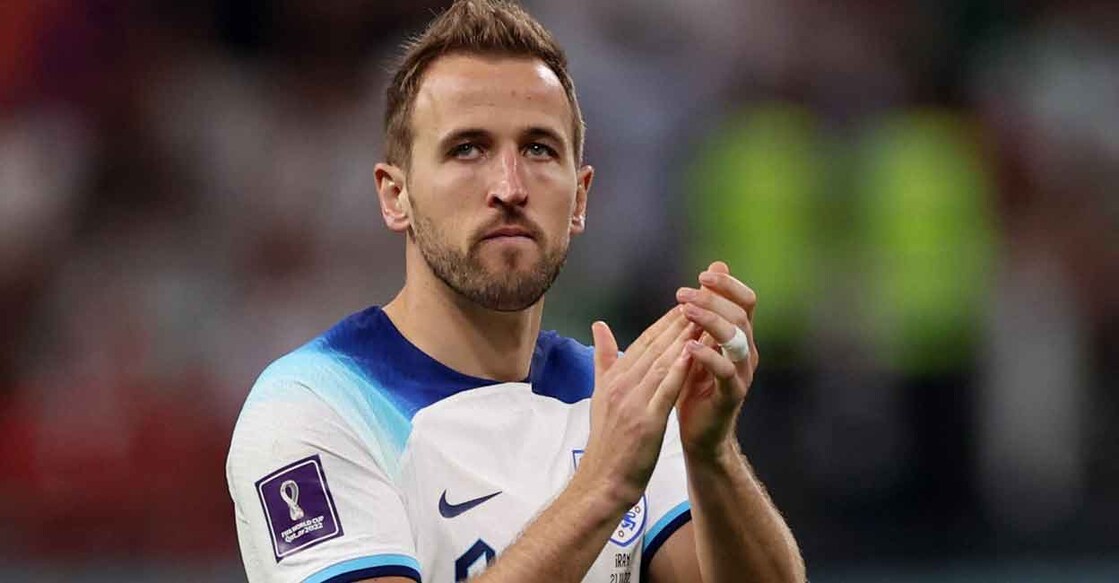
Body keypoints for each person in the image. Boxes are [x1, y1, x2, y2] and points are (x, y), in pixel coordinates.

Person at [225, 1, 805, 581]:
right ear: (395, 196)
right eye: (467, 149)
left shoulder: (614, 396)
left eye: (538, 149)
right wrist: (603, 487)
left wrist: (713, 455)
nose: (509, 187)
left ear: (579, 199)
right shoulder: (315, 404)